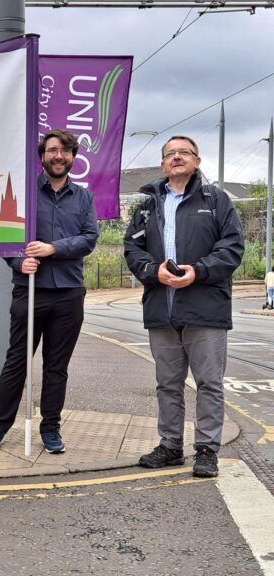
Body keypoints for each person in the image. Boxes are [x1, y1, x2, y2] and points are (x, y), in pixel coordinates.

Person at [125, 135, 244, 478]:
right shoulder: (148, 205)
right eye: (170, 154)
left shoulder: (217, 200)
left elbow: (232, 248)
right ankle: (170, 446)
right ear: (163, 164)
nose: (177, 158)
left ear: (197, 161)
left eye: (184, 153)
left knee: (209, 382)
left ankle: (206, 449)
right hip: (162, 308)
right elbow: (132, 250)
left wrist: (199, 272)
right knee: (167, 384)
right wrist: (153, 272)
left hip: (205, 307)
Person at [0, 129, 99, 454]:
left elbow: (89, 238)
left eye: (65, 151)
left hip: (69, 293)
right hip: (30, 291)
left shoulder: (84, 197)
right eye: (53, 151)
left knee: (56, 366)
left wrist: (52, 248)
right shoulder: (26, 193)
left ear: (73, 157)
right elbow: (5, 236)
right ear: (42, 156)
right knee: (16, 361)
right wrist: (19, 264)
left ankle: (51, 429)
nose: (59, 156)